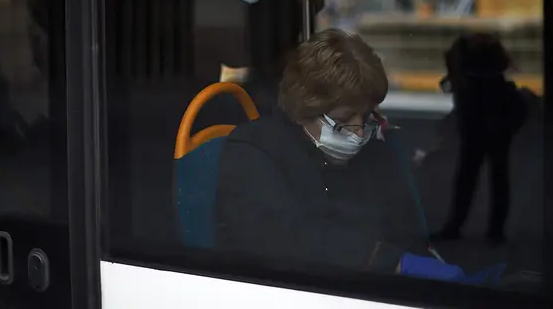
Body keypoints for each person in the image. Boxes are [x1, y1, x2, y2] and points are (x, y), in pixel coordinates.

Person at [215, 29, 420, 273]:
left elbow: (405, 228)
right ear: (304, 110)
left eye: (365, 117)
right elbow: (285, 239)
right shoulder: (253, 152)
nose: (359, 132)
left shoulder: (375, 156)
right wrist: (390, 261)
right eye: (343, 120)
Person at [430, 33, 528, 244]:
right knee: (498, 176)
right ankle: (495, 230)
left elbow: (458, 93)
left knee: (467, 176)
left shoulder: (468, 81)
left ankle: (456, 226)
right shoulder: (491, 78)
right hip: (498, 126)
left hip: (477, 128)